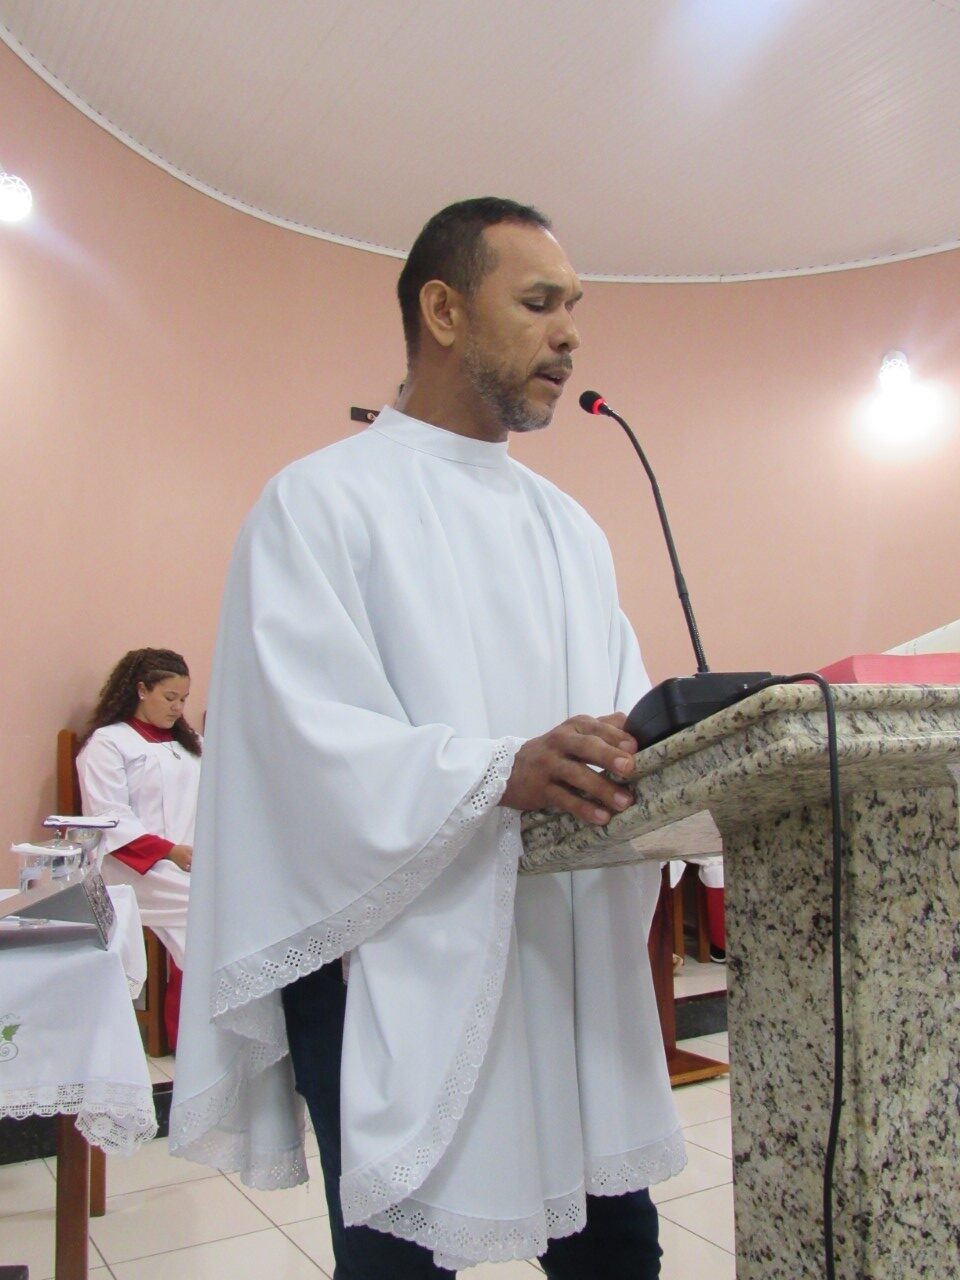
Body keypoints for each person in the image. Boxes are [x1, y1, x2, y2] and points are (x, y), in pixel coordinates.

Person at [170, 198, 685, 1276]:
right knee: (396, 1262)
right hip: (381, 950)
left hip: (558, 946)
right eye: (538, 303)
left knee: (615, 1252)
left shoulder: (570, 530)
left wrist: (656, 752)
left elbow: (623, 713)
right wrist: (503, 769)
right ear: (443, 311)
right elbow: (298, 747)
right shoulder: (317, 504)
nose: (569, 335)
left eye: (574, 307)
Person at [77, 648, 200, 1051]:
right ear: (142, 689)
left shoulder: (192, 745)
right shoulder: (108, 744)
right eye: (170, 698)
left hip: (188, 863)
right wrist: (170, 852)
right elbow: (109, 819)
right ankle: (190, 1041)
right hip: (133, 868)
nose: (178, 708)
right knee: (208, 908)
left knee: (239, 900)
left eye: (184, 699)